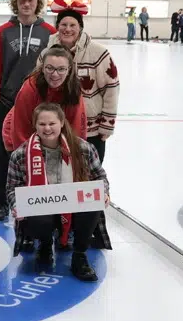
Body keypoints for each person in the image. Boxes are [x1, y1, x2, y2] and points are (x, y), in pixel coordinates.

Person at [6, 102, 108, 282]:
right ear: (35, 125)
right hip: (44, 212)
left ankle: (79, 254)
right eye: (42, 124)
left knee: (92, 203)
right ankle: (44, 244)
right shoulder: (21, 154)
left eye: (52, 123)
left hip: (73, 210)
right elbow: (12, 188)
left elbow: (100, 177)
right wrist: (16, 206)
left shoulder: (83, 148)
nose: (47, 128)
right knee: (37, 217)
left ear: (61, 123)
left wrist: (104, 193)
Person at [0, 0, 56, 222]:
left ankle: (36, 198)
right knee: (3, 152)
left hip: (39, 105)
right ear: (15, 2)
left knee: (38, 152)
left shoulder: (49, 32)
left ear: (38, 3)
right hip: (6, 102)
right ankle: (2, 200)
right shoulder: (3, 32)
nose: (26, 3)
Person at [44, 0, 119, 163]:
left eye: (72, 25)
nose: (67, 29)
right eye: (63, 24)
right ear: (57, 27)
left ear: (81, 28)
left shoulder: (98, 53)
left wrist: (107, 125)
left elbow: (111, 88)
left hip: (91, 131)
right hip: (56, 130)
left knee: (88, 177)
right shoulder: (47, 52)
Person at [5, 45, 87, 155]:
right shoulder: (29, 89)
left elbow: (77, 128)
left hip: (53, 137)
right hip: (21, 133)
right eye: (50, 68)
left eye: (61, 69)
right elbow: (20, 129)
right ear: (42, 68)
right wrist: (25, 157)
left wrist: (75, 155)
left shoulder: (74, 90)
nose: (55, 74)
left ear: (69, 69)